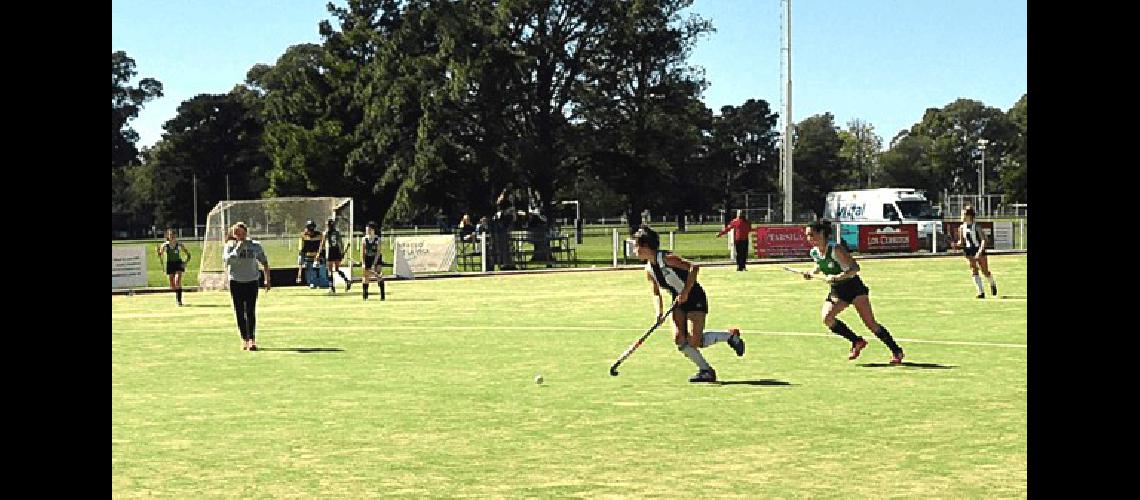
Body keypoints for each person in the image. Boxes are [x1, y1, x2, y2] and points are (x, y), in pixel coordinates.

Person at [632, 225, 745, 383]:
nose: (634, 250)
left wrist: (685, 292)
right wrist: (658, 312)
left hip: (694, 297)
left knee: (694, 341)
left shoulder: (667, 258)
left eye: (635, 246)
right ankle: (706, 370)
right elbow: (655, 293)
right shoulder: (649, 269)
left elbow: (693, 267)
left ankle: (730, 336)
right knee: (679, 339)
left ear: (644, 246)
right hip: (677, 301)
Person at [801, 220, 905, 364]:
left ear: (822, 233)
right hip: (838, 290)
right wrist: (811, 272)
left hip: (854, 288)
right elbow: (819, 265)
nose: (809, 239)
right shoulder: (814, 252)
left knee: (870, 324)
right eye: (807, 236)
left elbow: (855, 268)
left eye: (811, 235)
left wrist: (838, 277)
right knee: (827, 318)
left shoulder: (835, 249)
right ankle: (857, 341)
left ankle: (896, 351)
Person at [223, 222, 271, 351]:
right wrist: (238, 248)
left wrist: (267, 279)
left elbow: (264, 262)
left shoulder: (255, 246)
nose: (239, 235)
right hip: (236, 282)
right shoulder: (229, 246)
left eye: (241, 232)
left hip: (251, 281)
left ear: (246, 232)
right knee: (239, 311)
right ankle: (244, 338)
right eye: (236, 233)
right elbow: (227, 261)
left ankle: (252, 339)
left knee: (250, 311)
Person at [954, 206, 998, 299]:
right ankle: (980, 292)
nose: (962, 216)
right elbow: (962, 242)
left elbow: (983, 240)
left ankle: (992, 283)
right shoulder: (961, 228)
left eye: (964, 214)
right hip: (969, 251)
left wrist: (979, 252)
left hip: (978, 249)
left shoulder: (976, 226)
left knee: (985, 271)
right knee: (974, 270)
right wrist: (956, 245)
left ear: (969, 216)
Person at [157, 229, 191, 306]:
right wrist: (159, 252)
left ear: (176, 236)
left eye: (173, 235)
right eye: (170, 235)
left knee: (177, 281)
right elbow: (160, 254)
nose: (172, 237)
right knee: (173, 285)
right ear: (168, 236)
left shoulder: (179, 245)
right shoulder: (165, 245)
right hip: (170, 264)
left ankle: (179, 300)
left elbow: (189, 255)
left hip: (178, 263)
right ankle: (177, 294)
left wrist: (185, 263)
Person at [320, 218, 351, 294]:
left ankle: (332, 288)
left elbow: (322, 244)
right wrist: (342, 252)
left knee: (330, 270)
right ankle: (347, 280)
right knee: (337, 269)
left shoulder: (326, 233)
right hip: (337, 251)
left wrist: (319, 253)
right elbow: (341, 243)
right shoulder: (337, 232)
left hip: (330, 251)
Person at [360, 221, 385, 301]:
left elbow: (378, 252)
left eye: (369, 230)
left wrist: (374, 263)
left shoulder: (378, 239)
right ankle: (365, 295)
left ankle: (382, 295)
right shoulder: (364, 239)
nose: (368, 231)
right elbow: (363, 252)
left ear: (373, 230)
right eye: (367, 230)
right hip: (368, 257)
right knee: (366, 276)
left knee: (378, 274)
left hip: (376, 257)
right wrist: (363, 263)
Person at [297, 221, 322, 288]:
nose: (311, 232)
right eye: (309, 229)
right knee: (309, 269)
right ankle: (310, 282)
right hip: (307, 257)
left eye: (312, 229)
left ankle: (319, 282)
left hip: (317, 256)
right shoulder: (303, 236)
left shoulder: (319, 235)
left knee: (317, 269)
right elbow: (301, 249)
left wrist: (318, 256)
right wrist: (301, 257)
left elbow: (322, 246)